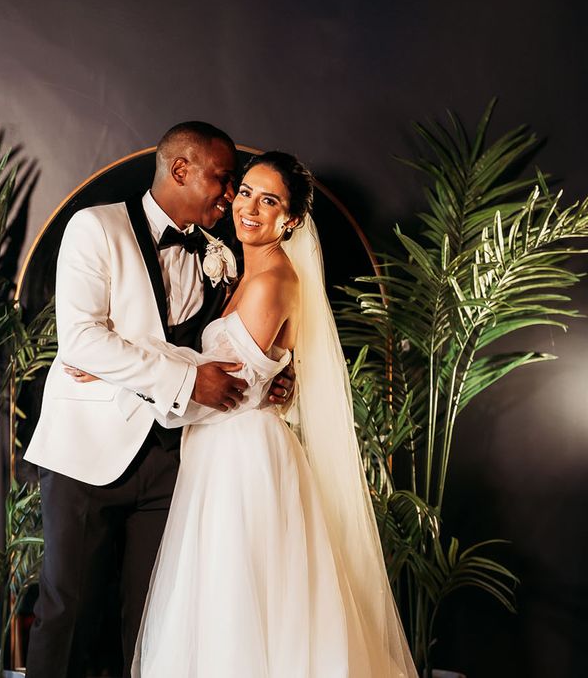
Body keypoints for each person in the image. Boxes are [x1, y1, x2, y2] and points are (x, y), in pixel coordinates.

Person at [127, 152, 418, 677]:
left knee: (241, 601)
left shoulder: (271, 283)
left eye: (269, 200)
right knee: (222, 597)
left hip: (243, 458)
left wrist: (126, 380)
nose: (250, 208)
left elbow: (228, 390)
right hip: (220, 454)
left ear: (292, 220)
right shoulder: (241, 274)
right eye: (244, 193)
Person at [23, 123, 295, 678]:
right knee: (69, 609)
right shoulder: (95, 228)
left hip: (176, 456)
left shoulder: (220, 254)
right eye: (223, 180)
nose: (230, 195)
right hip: (86, 452)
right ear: (181, 170)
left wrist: (270, 375)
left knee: (155, 616)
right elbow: (82, 340)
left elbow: (221, 343)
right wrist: (189, 380)